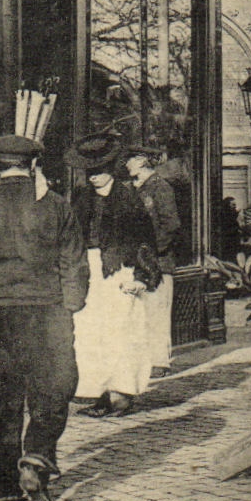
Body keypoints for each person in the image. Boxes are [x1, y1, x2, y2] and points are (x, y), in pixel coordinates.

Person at [0, 134, 87, 501]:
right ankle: (38, 454)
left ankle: (6, 495)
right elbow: (74, 263)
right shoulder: (57, 206)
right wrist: (71, 305)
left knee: (1, 405)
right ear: (32, 165)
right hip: (46, 311)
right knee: (54, 390)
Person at [65, 133, 159, 418]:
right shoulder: (82, 199)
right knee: (93, 335)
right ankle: (101, 393)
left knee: (122, 333)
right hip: (89, 274)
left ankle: (121, 394)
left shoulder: (128, 198)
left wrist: (141, 277)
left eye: (99, 170)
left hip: (120, 272)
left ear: (111, 169)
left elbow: (145, 240)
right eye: (90, 172)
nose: (94, 177)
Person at [126, 144, 181, 373]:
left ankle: (159, 362)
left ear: (141, 161)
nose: (126, 164)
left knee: (157, 312)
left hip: (157, 263)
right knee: (139, 314)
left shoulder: (160, 187)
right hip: (135, 263)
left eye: (130, 159)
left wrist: (149, 252)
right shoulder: (132, 188)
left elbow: (171, 225)